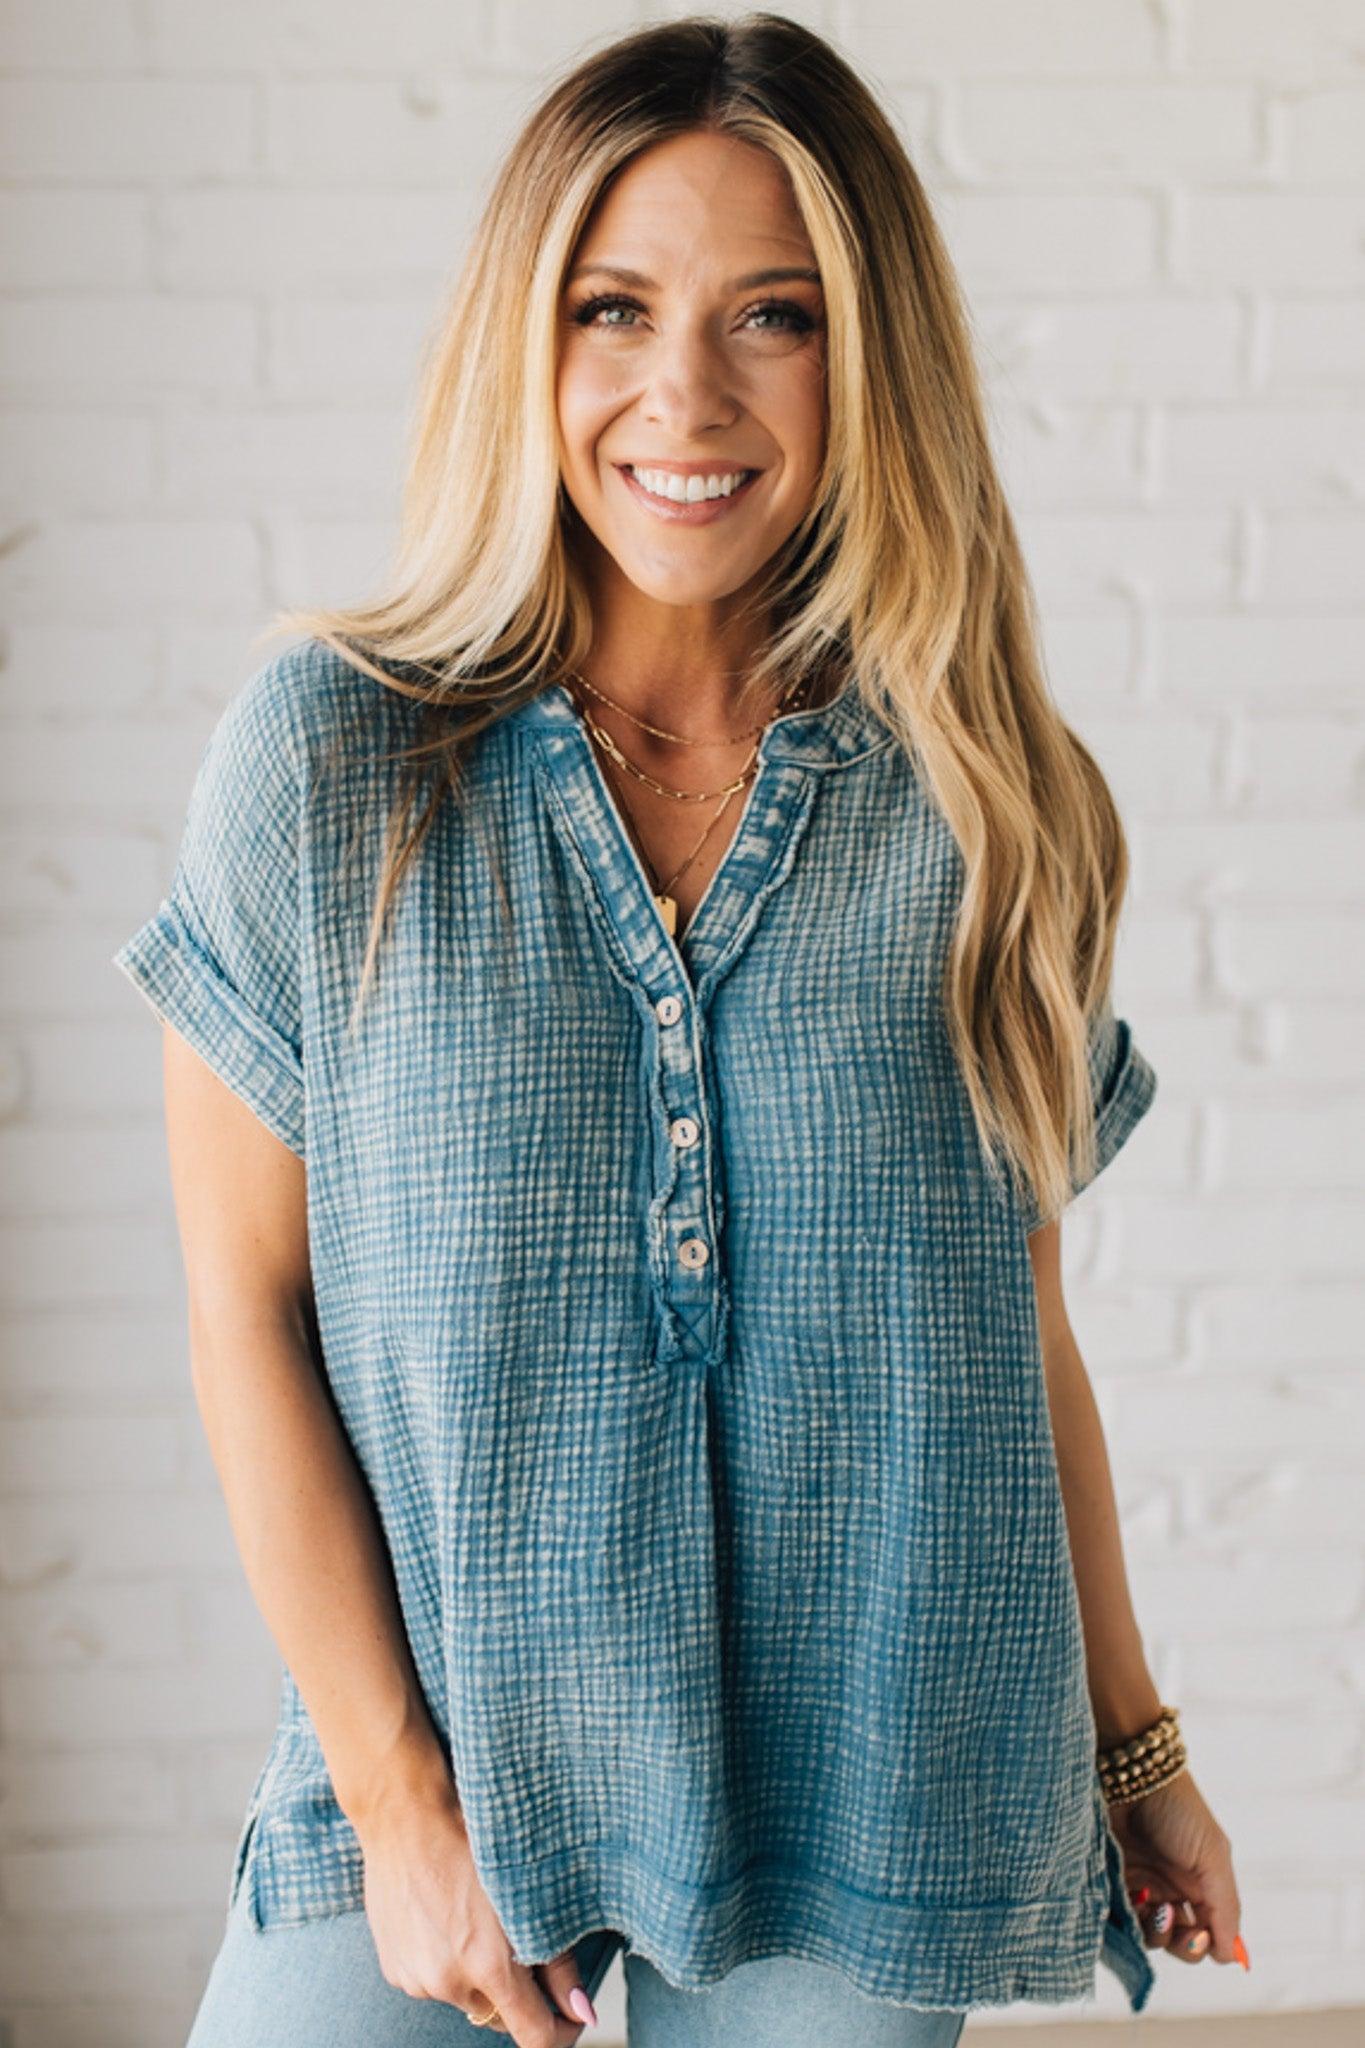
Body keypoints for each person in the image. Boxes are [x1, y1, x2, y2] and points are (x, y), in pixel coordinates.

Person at [111, 15, 1249, 2047]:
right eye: (613, 307)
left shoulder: (996, 807)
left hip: (867, 1798)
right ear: (524, 340)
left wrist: (1134, 1747)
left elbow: (1017, 1325)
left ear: (865, 355)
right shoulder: (332, 766)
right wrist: (393, 1808)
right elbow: (239, 1310)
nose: (682, 395)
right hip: (437, 1773)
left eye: (773, 317)